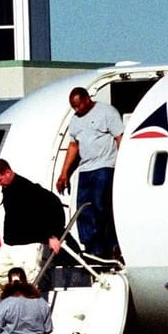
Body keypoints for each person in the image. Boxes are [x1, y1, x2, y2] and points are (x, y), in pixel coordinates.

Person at [55, 86, 125, 262]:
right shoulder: (75, 120)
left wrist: (122, 164)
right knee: (84, 209)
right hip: (85, 168)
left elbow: (119, 137)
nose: (77, 110)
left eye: (78, 105)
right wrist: (64, 173)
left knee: (101, 205)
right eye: (74, 107)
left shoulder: (106, 112)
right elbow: (73, 146)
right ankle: (92, 247)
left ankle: (111, 245)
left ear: (87, 99)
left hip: (104, 165)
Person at [0, 158, 65, 294]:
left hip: (29, 244)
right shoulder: (7, 189)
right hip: (12, 244)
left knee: (30, 280)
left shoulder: (27, 189)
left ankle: (30, 305)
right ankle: (14, 298)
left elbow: (53, 205)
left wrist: (51, 236)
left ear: (8, 173)